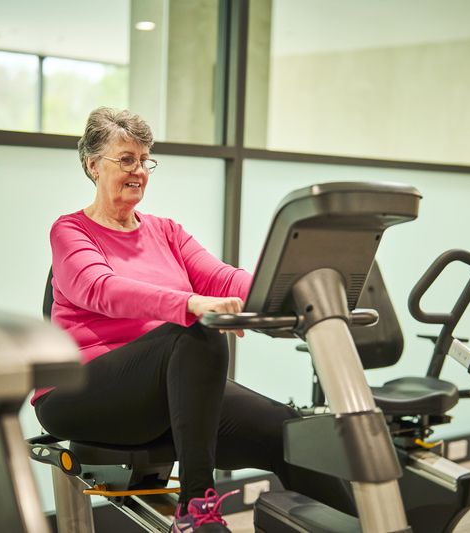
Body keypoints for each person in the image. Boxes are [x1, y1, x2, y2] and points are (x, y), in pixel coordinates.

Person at [32, 107, 354, 532]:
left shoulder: (166, 232)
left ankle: (368, 526)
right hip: (79, 391)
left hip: (165, 387)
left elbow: (224, 278)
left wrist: (292, 291)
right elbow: (101, 288)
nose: (138, 171)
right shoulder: (71, 231)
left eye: (144, 160)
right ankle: (196, 509)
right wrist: (191, 305)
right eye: (126, 159)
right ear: (93, 165)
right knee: (197, 332)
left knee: (288, 433)